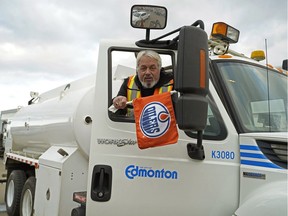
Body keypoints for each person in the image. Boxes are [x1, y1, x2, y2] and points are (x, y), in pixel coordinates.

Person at [112, 50, 174, 116]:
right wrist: (117, 102)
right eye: (143, 68)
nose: (147, 72)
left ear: (159, 69)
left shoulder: (173, 83)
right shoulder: (128, 83)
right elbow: (114, 110)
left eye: (152, 68)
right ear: (137, 69)